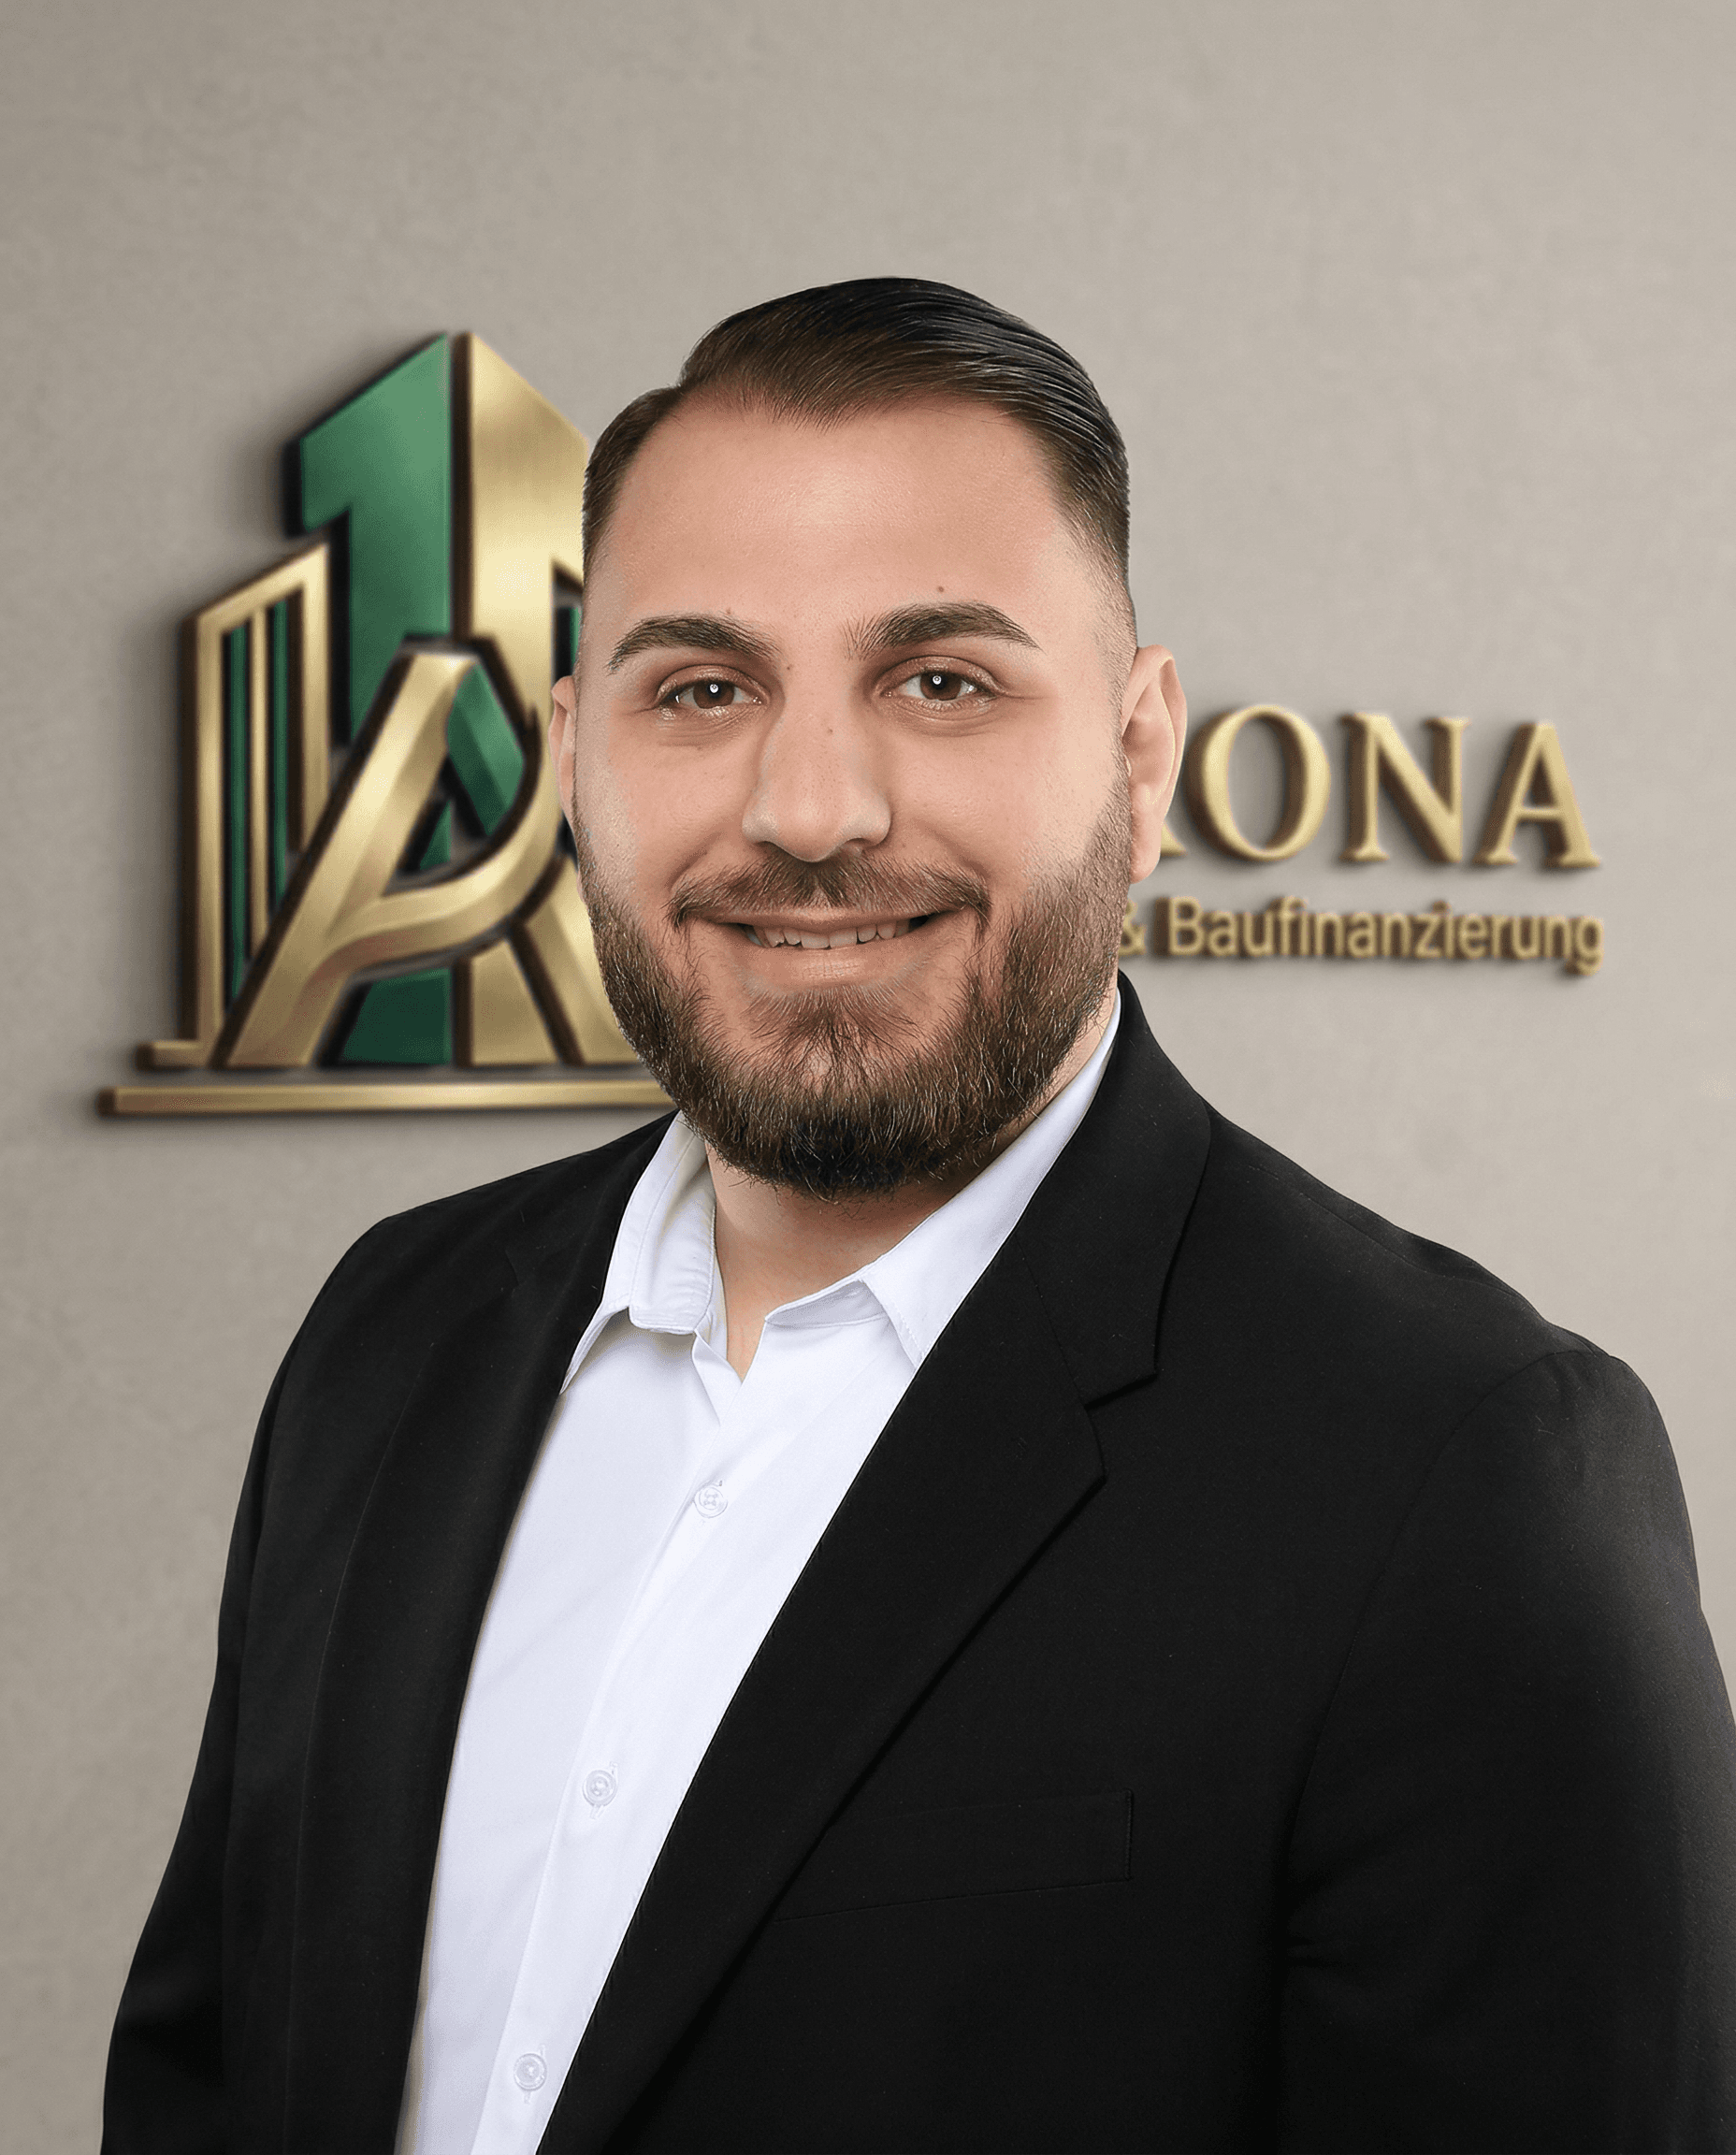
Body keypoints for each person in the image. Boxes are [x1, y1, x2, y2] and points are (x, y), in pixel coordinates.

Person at [105, 279, 1736, 2155]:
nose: (809, 807)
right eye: (702, 688)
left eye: (941, 680)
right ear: (574, 755)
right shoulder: (394, 1334)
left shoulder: (1461, 1472)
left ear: (1135, 757)